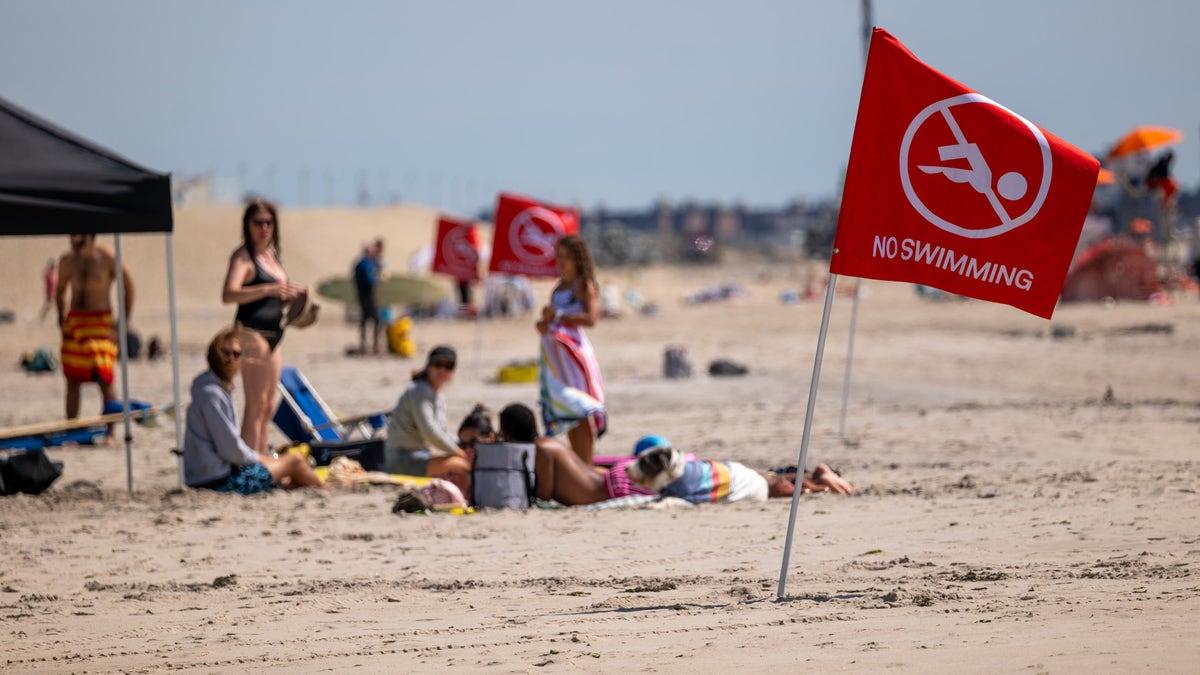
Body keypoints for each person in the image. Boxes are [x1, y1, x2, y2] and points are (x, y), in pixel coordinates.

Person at [182, 327, 325, 493]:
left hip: (207, 477)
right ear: (214, 354)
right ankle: (327, 491)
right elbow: (230, 450)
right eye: (225, 353)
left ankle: (318, 488)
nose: (230, 359)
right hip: (218, 482)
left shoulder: (211, 389)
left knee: (288, 477)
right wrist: (261, 458)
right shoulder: (212, 394)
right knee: (295, 462)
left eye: (236, 354)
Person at [221, 199, 307, 454]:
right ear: (247, 225)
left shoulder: (272, 255)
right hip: (251, 330)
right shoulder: (243, 256)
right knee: (255, 402)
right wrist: (268, 288)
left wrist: (293, 297)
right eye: (258, 223)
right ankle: (250, 460)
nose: (264, 228)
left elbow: (274, 296)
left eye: (268, 223)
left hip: (275, 332)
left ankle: (262, 458)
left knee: (268, 403)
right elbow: (228, 294)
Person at [55, 233, 135, 444]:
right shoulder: (67, 260)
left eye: (77, 231)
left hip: (100, 324)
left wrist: (122, 323)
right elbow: (60, 289)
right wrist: (61, 317)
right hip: (75, 324)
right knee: (72, 380)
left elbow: (129, 286)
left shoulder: (107, 256)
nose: (72, 236)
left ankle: (110, 433)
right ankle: (71, 432)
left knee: (105, 379)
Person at [497, 403, 655, 506]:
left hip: (612, 488)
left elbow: (543, 494)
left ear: (509, 434)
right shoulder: (548, 442)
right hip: (609, 480)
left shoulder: (541, 450)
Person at [536, 234, 606, 464]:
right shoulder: (558, 289)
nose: (562, 262)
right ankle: (580, 462)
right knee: (567, 409)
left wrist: (559, 315)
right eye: (559, 257)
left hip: (575, 355)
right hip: (557, 357)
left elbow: (591, 318)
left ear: (577, 259)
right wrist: (545, 325)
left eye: (567, 257)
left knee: (580, 406)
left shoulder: (582, 285)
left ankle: (586, 461)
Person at [385, 345, 473, 496]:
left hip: (420, 455)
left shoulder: (437, 395)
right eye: (438, 365)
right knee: (462, 466)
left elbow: (442, 433)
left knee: (465, 462)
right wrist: (460, 452)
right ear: (428, 367)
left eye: (448, 366)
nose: (442, 370)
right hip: (404, 458)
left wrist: (464, 446)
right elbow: (431, 433)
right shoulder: (419, 390)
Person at [353, 238, 385, 355]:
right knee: (376, 320)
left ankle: (365, 347)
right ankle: (372, 347)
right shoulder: (365, 263)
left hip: (363, 295)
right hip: (368, 296)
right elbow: (370, 280)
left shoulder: (362, 263)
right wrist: (378, 278)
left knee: (365, 320)